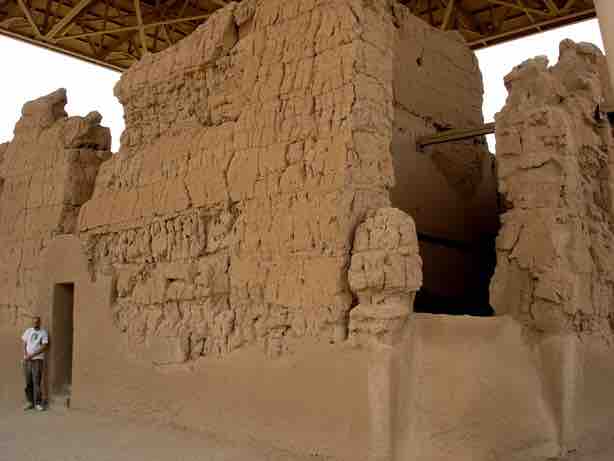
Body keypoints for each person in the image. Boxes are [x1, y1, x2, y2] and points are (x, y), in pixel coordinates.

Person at [21, 316, 49, 411]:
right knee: (28, 382)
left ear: (40, 323)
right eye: (34, 322)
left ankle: (38, 403)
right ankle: (30, 402)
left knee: (37, 381)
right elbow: (24, 343)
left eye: (37, 322)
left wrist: (32, 355)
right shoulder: (28, 331)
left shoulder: (43, 333)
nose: (35, 323)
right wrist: (26, 354)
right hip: (27, 360)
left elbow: (44, 346)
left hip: (37, 360)